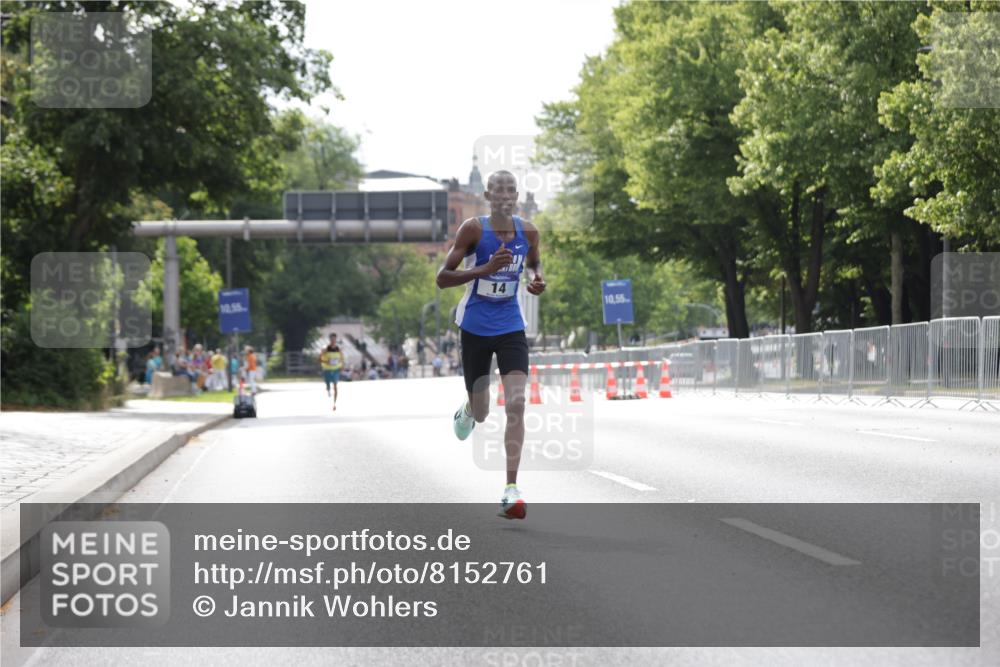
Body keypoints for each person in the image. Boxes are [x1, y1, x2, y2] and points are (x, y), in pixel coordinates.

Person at [436, 170, 546, 520]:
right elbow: (442, 278)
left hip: (511, 324)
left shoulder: (528, 231)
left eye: (511, 191)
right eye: (498, 191)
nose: (505, 196)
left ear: (515, 196)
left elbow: (533, 263)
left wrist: (535, 279)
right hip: (475, 326)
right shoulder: (472, 229)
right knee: (483, 412)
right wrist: (482, 269)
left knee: (516, 403)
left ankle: (510, 489)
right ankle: (468, 410)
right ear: (487, 195)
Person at [319, 333, 343, 410]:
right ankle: (328, 389)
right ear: (330, 339)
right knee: (328, 384)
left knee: (335, 386)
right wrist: (327, 362)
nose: (333, 340)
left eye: (334, 339)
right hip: (327, 369)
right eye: (332, 339)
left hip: (336, 369)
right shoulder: (325, 349)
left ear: (336, 339)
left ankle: (334, 403)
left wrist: (341, 366)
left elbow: (341, 359)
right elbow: (319, 359)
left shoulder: (338, 349)